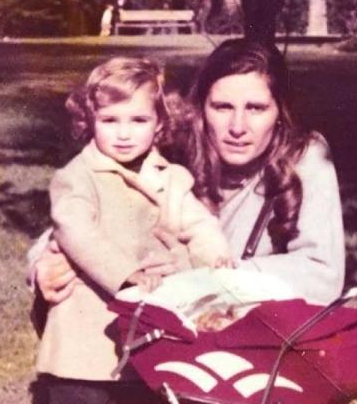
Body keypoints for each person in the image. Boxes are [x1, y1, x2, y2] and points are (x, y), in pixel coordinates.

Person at [31, 38, 345, 311]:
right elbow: (78, 212)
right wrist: (41, 264)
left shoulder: (304, 155)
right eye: (222, 107)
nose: (237, 127)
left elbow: (321, 273)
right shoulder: (167, 148)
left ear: (280, 113)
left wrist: (206, 277)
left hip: (255, 333)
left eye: (256, 108)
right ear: (200, 109)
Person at [35, 56, 231, 404]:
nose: (123, 134)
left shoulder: (169, 177)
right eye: (109, 120)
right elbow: (75, 230)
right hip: (84, 336)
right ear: (89, 122)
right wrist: (127, 273)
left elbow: (199, 223)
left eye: (138, 120)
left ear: (158, 125)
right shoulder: (78, 176)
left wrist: (216, 258)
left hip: (147, 336)